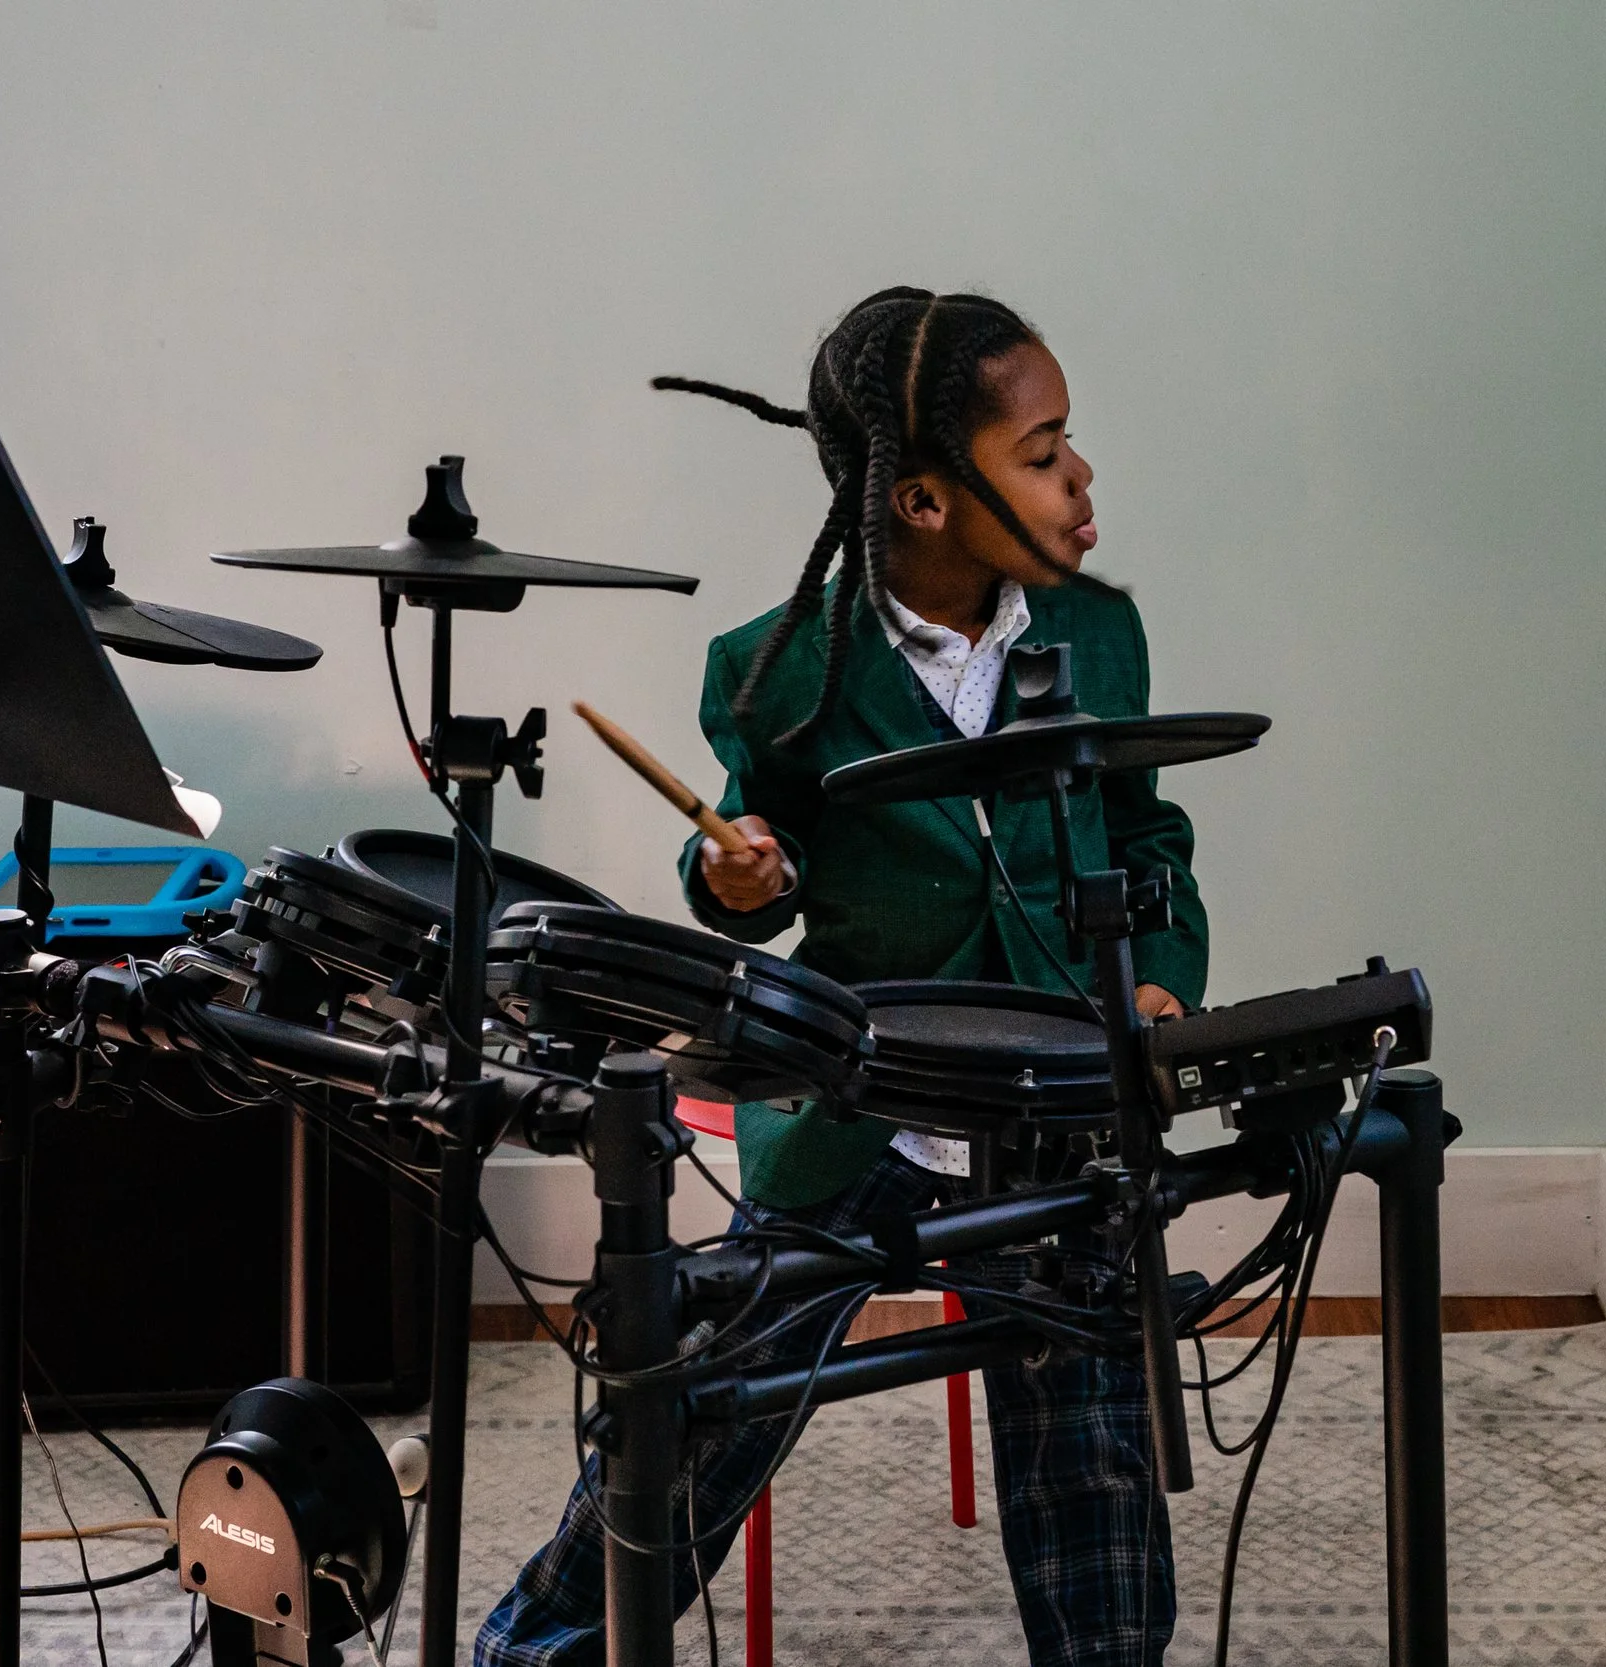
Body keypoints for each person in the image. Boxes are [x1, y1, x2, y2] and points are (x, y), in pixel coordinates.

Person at [477, 288, 1205, 1667]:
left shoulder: (1098, 638)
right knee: (710, 1394)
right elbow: (755, 869)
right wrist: (739, 875)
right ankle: (533, 1646)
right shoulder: (779, 668)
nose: (1083, 478)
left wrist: (1159, 979)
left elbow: (1150, 837)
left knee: (1089, 1453)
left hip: (1051, 1093)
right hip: (857, 1094)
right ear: (925, 501)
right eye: (1045, 454)